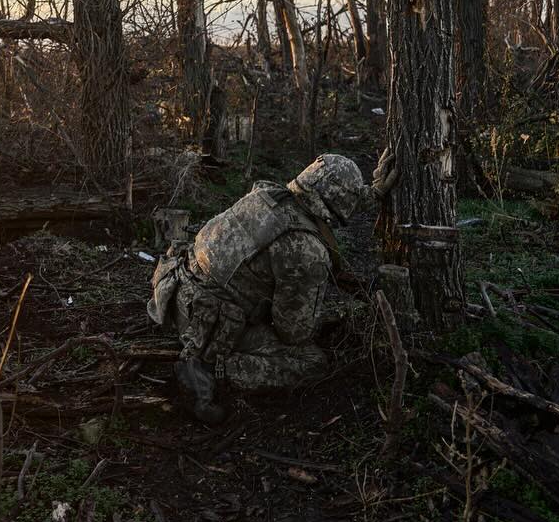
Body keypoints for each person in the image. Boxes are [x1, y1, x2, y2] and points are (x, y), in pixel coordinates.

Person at [147, 151, 394, 422]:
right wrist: (325, 312)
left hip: (177, 297)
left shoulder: (266, 195)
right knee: (312, 362)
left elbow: (325, 204)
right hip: (208, 326)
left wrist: (372, 195)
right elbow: (294, 333)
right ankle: (214, 370)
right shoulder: (305, 250)